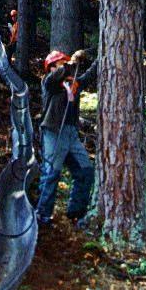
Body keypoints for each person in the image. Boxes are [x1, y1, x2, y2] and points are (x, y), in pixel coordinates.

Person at [36, 47, 97, 225]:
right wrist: (71, 63)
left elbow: (89, 75)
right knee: (51, 173)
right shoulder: (49, 82)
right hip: (53, 132)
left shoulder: (73, 83)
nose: (64, 67)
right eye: (60, 64)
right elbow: (59, 75)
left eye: (65, 63)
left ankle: (76, 212)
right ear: (52, 67)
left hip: (70, 133)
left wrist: (102, 57)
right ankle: (42, 214)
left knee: (85, 170)